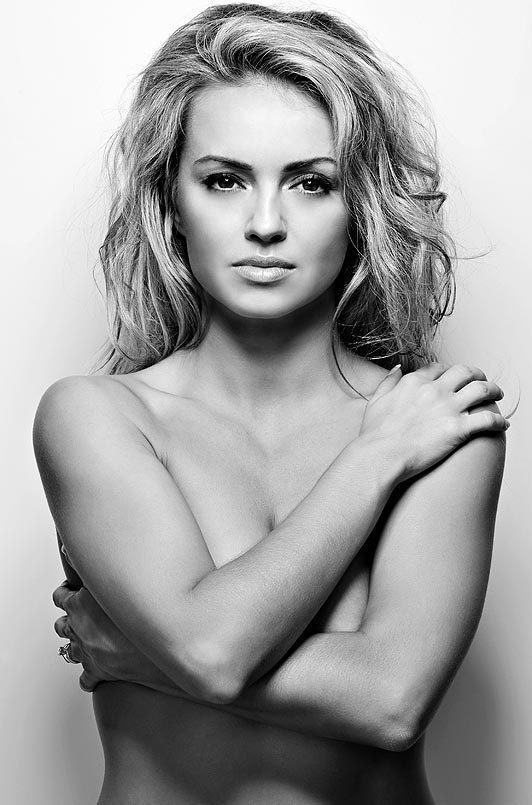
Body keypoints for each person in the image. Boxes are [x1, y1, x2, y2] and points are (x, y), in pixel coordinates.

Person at [33, 4, 508, 803]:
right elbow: (213, 651)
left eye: (311, 183)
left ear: (361, 205)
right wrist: (376, 457)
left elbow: (392, 700)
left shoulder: (441, 422)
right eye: (224, 180)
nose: (264, 224)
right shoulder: (98, 418)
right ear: (171, 202)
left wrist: (151, 655)